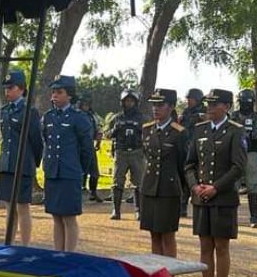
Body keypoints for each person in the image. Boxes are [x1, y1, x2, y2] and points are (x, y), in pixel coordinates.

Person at [187, 89, 247, 277]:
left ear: (227, 106)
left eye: (215, 104)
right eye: (208, 104)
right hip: (202, 196)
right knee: (204, 246)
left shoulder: (235, 132)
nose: (209, 108)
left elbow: (238, 166)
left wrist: (216, 187)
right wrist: (194, 185)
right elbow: (190, 163)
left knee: (221, 246)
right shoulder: (200, 129)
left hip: (223, 198)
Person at [42, 76, 94, 252]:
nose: (54, 96)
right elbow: (46, 141)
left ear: (69, 95)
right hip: (53, 172)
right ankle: (58, 254)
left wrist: (80, 170)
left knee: (69, 218)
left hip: (70, 173)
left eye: (59, 92)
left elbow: (87, 149)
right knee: (56, 216)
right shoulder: (48, 117)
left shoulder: (79, 118)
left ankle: (69, 255)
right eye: (53, 92)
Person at [138, 88, 188, 257]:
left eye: (160, 105)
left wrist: (184, 192)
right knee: (153, 234)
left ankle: (168, 276)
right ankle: (158, 273)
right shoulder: (146, 129)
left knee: (167, 235)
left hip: (168, 189)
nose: (156, 109)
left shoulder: (179, 133)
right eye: (154, 104)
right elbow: (147, 156)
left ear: (171, 107)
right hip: (150, 187)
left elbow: (183, 164)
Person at [0, 69, 43, 246]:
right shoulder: (5, 111)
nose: (7, 91)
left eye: (11, 87)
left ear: (22, 89)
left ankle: (24, 245)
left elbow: (37, 141)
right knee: (9, 207)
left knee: (22, 207)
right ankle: (9, 243)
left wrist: (33, 163)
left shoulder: (29, 111)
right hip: (7, 164)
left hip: (23, 164)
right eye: (6, 88)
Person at [106, 89, 146, 221]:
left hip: (137, 152)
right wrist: (116, 129)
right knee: (117, 181)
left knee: (138, 182)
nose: (129, 103)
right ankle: (116, 210)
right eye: (126, 101)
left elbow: (149, 134)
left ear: (136, 102)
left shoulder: (142, 118)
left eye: (131, 101)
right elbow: (107, 134)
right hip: (121, 152)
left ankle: (139, 211)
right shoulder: (117, 117)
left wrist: (139, 129)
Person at [234, 89, 257, 228]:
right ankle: (231, 215)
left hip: (252, 153)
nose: (245, 105)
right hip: (234, 154)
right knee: (232, 184)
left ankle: (254, 218)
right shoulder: (233, 116)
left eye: (248, 102)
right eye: (242, 102)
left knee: (253, 185)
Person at [178, 88, 206, 219]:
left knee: (199, 178)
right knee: (185, 177)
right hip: (186, 148)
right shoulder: (185, 112)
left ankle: (199, 207)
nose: (188, 101)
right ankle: (182, 207)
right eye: (188, 99)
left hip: (200, 148)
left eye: (191, 99)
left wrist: (201, 117)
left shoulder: (204, 112)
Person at [77, 93, 104, 203]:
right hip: (77, 147)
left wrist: (98, 142)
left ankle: (93, 192)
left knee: (94, 172)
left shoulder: (93, 116)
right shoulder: (76, 115)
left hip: (89, 146)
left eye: (87, 104)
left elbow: (99, 130)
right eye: (84, 104)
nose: (86, 106)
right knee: (79, 171)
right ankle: (78, 191)